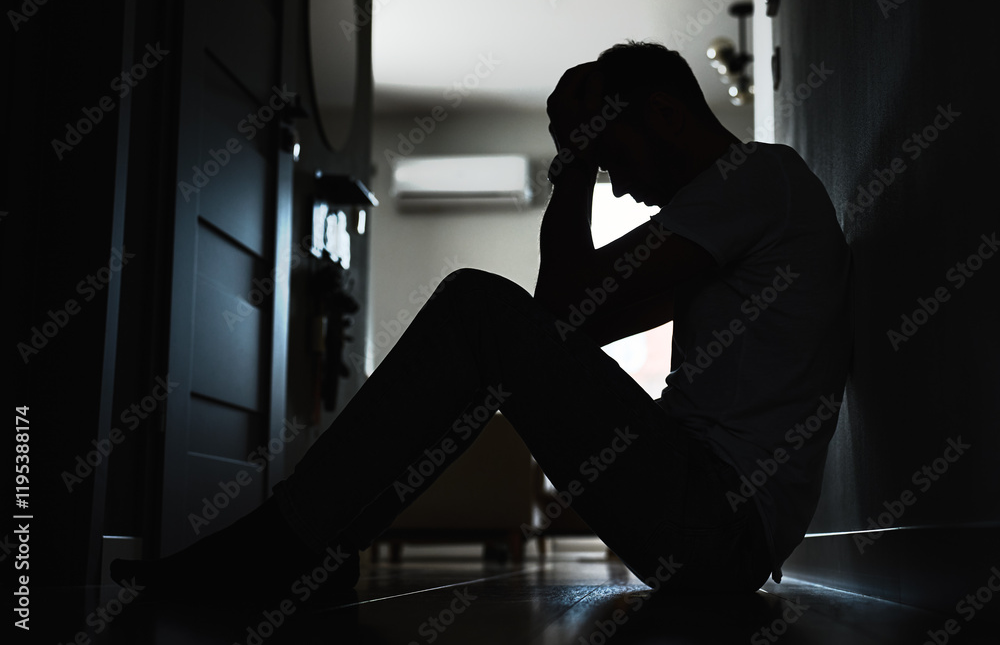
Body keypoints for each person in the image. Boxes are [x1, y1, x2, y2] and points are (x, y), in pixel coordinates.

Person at [112, 41, 851, 608]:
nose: (620, 184)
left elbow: (558, 307)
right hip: (708, 520)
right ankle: (310, 548)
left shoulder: (756, 178)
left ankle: (286, 543)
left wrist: (574, 159)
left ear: (664, 113)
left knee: (477, 305)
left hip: (717, 518)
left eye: (612, 154)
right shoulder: (738, 207)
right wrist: (584, 153)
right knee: (485, 319)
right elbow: (565, 324)